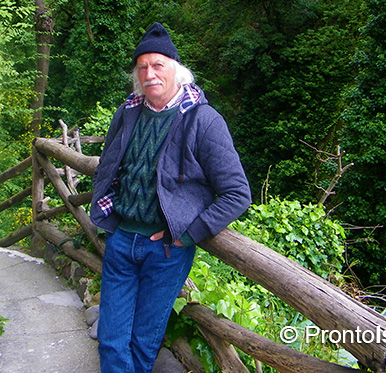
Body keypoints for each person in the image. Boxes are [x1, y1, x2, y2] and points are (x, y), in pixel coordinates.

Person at [90, 22, 251, 372]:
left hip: (165, 250)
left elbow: (237, 193)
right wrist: (109, 219)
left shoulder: (204, 121)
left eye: (158, 65)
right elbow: (109, 166)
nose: (149, 73)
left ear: (177, 70)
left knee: (143, 343)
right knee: (111, 338)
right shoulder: (128, 113)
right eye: (142, 66)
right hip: (121, 240)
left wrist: (188, 234)